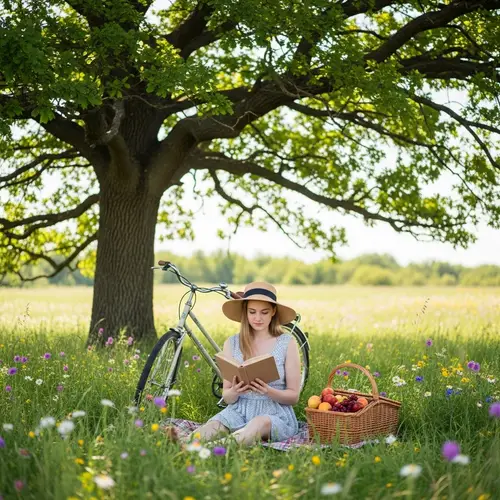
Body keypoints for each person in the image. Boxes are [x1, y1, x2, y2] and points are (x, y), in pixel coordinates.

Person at [188, 281, 301, 445]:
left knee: (258, 424)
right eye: (252, 312)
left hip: (274, 413)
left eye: (264, 312)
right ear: (245, 312)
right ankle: (184, 442)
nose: (258, 318)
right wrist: (234, 391)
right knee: (214, 425)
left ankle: (214, 448)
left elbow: (293, 396)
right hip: (239, 410)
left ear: (273, 312)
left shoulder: (286, 343)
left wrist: (268, 391)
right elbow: (227, 397)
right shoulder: (232, 343)